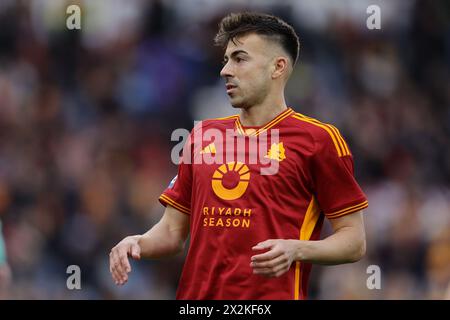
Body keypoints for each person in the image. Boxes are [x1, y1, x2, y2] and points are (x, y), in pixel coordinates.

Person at [109, 12, 368, 300]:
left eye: (240, 59)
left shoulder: (318, 140)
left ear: (277, 67)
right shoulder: (202, 136)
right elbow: (172, 231)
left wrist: (297, 249)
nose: (225, 70)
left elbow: (354, 240)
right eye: (226, 60)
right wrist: (137, 242)